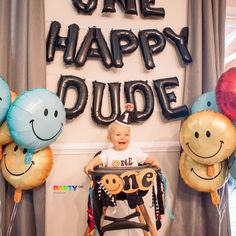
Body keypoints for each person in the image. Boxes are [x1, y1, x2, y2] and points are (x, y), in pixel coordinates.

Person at [84, 103, 159, 174]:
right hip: (114, 186)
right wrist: (91, 164)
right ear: (109, 139)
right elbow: (98, 159)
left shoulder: (134, 151)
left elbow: (145, 158)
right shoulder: (108, 153)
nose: (123, 137)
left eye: (126, 135)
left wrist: (153, 161)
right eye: (118, 134)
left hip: (133, 186)